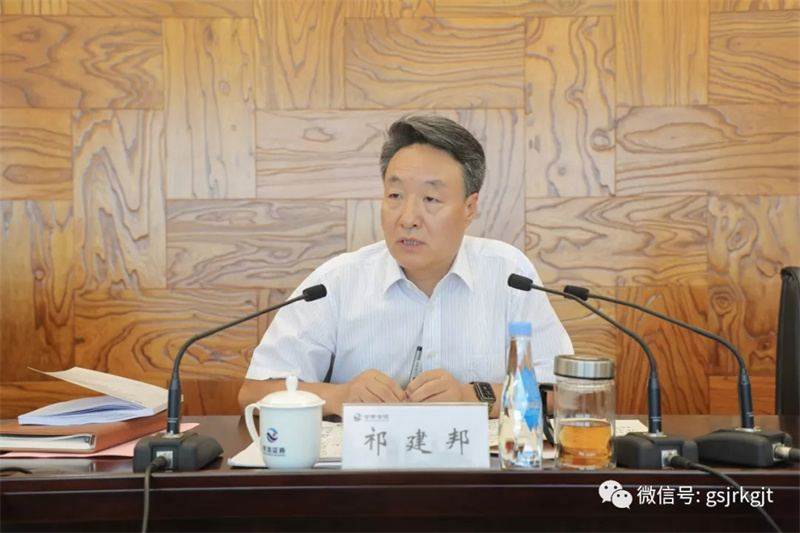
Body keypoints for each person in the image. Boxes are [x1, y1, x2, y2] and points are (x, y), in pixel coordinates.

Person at [238, 115, 573, 418]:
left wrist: (472, 396)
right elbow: (253, 393)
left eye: (431, 199)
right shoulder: (337, 282)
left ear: (469, 208)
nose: (408, 218)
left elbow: (563, 393)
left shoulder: (509, 276)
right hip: (366, 466)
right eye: (395, 196)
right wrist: (339, 396)